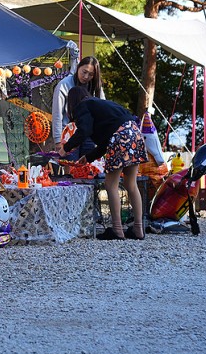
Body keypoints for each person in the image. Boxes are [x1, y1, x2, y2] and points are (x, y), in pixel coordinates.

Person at [63, 87, 147, 240]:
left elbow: (84, 131)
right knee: (131, 184)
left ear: (73, 101)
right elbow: (105, 142)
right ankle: (138, 229)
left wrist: (65, 148)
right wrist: (88, 157)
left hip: (120, 137)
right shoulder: (101, 105)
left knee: (110, 184)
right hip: (134, 132)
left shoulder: (83, 105)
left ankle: (117, 229)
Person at [52, 56, 104, 156]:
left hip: (90, 135)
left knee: (88, 168)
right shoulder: (63, 85)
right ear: (78, 67)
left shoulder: (96, 86)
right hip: (69, 135)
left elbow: (102, 110)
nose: (86, 76)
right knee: (70, 167)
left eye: (91, 74)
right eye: (84, 72)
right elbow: (57, 113)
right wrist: (58, 140)